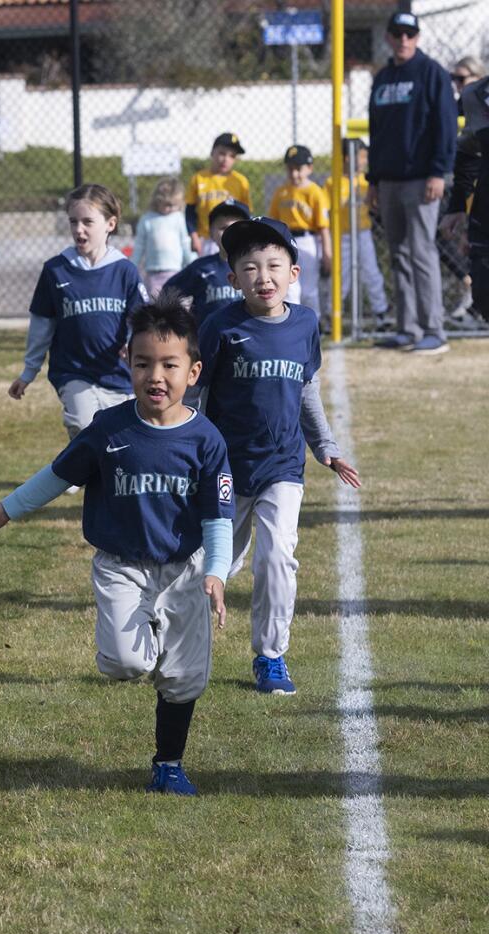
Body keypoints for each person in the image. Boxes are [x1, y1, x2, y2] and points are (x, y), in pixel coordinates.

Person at [0, 298, 234, 797]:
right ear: (127, 363)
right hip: (122, 567)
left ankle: (168, 764)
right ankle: (150, 646)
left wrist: (216, 572)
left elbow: (219, 517)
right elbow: (57, 474)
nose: (156, 375)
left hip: (185, 571)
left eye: (169, 365)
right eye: (143, 363)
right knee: (126, 663)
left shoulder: (206, 439)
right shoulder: (110, 430)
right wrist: (8, 509)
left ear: (193, 371)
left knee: (186, 678)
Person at [195, 217, 361, 696]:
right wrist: (186, 454)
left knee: (277, 558)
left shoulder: (305, 323)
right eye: (249, 267)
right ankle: (179, 636)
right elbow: (196, 395)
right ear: (233, 279)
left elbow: (306, 389)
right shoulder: (220, 326)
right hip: (226, 470)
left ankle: (270, 656)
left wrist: (325, 447)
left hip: (283, 467)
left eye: (273, 265)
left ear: (294, 273)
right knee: (214, 566)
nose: (262, 276)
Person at [8, 184, 147, 441]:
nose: (78, 229)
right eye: (73, 222)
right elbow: (41, 326)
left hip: (116, 374)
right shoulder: (56, 270)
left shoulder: (124, 270)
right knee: (83, 425)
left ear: (110, 224)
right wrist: (29, 371)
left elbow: (141, 319)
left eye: (87, 222)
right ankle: (75, 472)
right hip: (73, 371)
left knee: (120, 440)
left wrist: (132, 341)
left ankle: (84, 476)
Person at [367, 10, 458, 354]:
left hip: (422, 180)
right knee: (398, 255)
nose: (403, 39)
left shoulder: (432, 73)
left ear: (417, 38)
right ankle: (408, 329)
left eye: (410, 34)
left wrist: (438, 171)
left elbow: (446, 126)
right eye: (397, 33)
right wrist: (373, 180)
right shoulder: (383, 77)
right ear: (389, 37)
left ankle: (435, 330)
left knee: (421, 253)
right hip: (388, 180)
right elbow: (377, 132)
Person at [439, 57, 485, 327]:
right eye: (454, 78)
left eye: (462, 77)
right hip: (474, 194)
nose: (457, 84)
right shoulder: (467, 101)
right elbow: (466, 152)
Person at [328, 139, 390, 328]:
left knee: (371, 273)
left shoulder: (365, 181)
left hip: (363, 233)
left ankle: (381, 313)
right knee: (341, 277)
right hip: (342, 235)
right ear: (348, 158)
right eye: (361, 156)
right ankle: (334, 316)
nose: (364, 161)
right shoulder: (334, 182)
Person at [268, 145, 332, 314]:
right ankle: (292, 323)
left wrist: (327, 252)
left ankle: (314, 322)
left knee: (310, 289)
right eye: (290, 169)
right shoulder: (281, 192)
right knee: (290, 288)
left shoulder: (315, 192)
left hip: (308, 240)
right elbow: (273, 222)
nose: (294, 173)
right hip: (285, 242)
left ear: (309, 168)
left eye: (299, 168)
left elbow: (323, 227)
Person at [164, 200, 248, 323]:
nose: (230, 232)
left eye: (235, 227)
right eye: (223, 228)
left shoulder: (257, 267)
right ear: (211, 234)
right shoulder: (201, 267)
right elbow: (167, 292)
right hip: (209, 339)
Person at [185, 132, 252, 255]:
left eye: (232, 156)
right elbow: (190, 211)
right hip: (206, 239)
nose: (226, 159)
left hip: (233, 237)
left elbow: (247, 214)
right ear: (212, 152)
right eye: (222, 153)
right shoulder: (199, 178)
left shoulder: (241, 181)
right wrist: (194, 236)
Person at [133, 177, 194, 297]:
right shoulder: (147, 219)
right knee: (155, 305)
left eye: (172, 205)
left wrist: (192, 262)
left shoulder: (178, 218)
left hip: (175, 271)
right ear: (157, 201)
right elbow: (139, 247)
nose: (168, 208)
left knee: (176, 305)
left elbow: (185, 243)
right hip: (153, 274)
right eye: (165, 204)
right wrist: (132, 266)